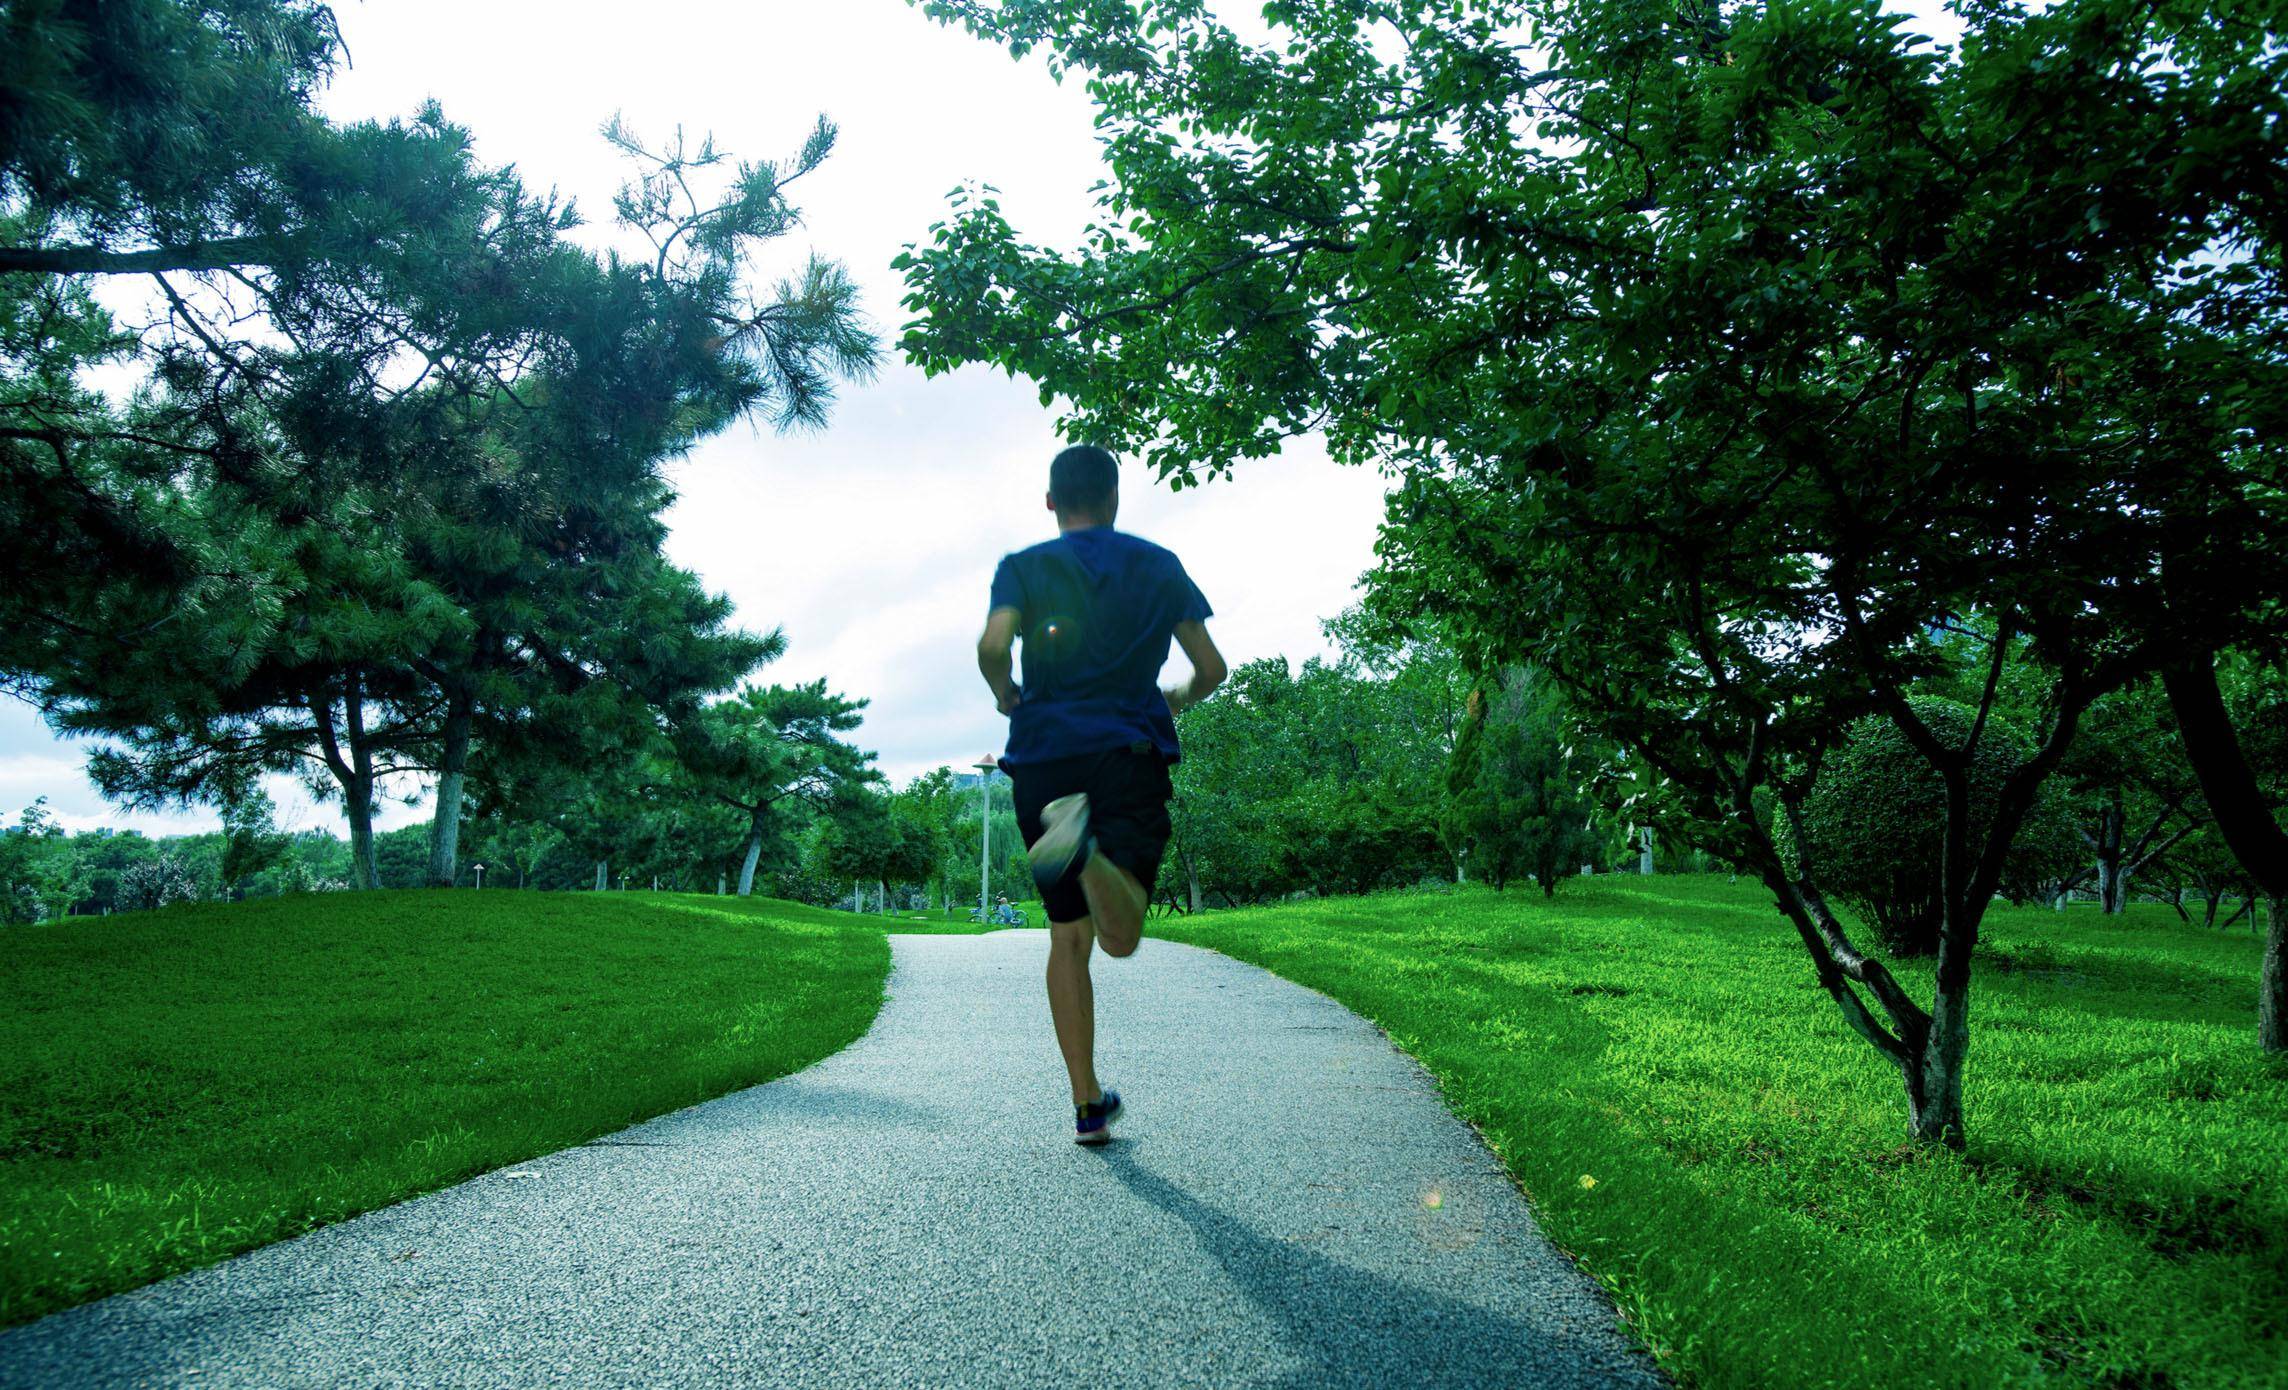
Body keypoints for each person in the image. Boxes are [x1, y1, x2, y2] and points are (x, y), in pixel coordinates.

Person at [977, 444, 1227, 1145]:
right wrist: (1174, 697)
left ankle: (1087, 1103)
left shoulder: (1022, 567)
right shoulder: (1156, 563)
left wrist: (1007, 698)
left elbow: (993, 648)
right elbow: (1211, 667)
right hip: (1125, 752)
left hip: (1043, 760)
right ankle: (1086, 853)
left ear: (1051, 502)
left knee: (1068, 937)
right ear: (1115, 498)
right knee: (1117, 938)